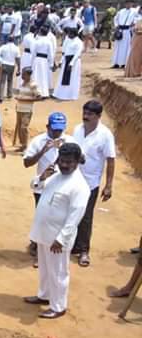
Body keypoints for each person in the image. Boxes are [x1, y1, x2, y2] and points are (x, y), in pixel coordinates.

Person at [25, 142, 90, 319]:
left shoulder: (79, 185)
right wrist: (41, 177)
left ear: (77, 162)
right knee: (45, 269)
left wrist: (61, 239)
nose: (64, 165)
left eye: (69, 162)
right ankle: (44, 296)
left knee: (59, 273)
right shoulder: (55, 176)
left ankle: (59, 306)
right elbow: (35, 187)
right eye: (62, 160)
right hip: (44, 233)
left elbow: (75, 216)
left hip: (58, 239)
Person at [23, 112, 76, 258]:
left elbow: (81, 160)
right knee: (42, 217)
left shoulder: (70, 141)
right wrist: (43, 150)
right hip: (42, 187)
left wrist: (64, 150)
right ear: (47, 127)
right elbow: (27, 163)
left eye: (60, 129)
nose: (58, 132)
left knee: (58, 218)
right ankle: (37, 244)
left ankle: (51, 246)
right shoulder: (38, 141)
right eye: (54, 129)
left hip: (63, 188)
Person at [72, 100, 116, 267]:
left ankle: (84, 250)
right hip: (73, 178)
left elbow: (111, 160)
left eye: (90, 114)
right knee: (71, 212)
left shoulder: (105, 135)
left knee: (86, 217)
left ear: (98, 116)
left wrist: (109, 185)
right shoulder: (77, 129)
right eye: (84, 112)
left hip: (90, 182)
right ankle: (74, 245)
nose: (85, 116)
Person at [13, 68, 41, 150]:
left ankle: (26, 146)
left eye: (24, 74)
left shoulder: (33, 85)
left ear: (28, 75)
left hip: (27, 110)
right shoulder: (22, 84)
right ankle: (22, 145)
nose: (22, 76)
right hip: (19, 109)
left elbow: (39, 97)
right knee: (19, 128)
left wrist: (24, 99)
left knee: (24, 128)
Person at [54, 29, 84, 101]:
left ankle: (70, 95)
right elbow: (65, 52)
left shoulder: (79, 42)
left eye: (70, 34)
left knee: (71, 79)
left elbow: (77, 54)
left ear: (74, 34)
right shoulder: (68, 41)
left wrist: (71, 63)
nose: (68, 35)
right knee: (63, 78)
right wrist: (61, 61)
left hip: (74, 62)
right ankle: (61, 94)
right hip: (66, 60)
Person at [30, 25, 56, 98]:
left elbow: (33, 53)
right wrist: (51, 63)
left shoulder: (37, 41)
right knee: (44, 77)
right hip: (45, 61)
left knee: (36, 76)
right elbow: (51, 54)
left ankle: (36, 92)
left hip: (37, 60)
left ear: (40, 32)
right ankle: (44, 93)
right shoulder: (48, 42)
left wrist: (31, 63)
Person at [112, 0, 137, 68]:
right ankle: (116, 63)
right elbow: (115, 18)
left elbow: (137, 19)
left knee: (126, 47)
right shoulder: (121, 11)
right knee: (117, 47)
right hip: (120, 30)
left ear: (132, 4)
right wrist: (116, 25)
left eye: (130, 3)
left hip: (127, 30)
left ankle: (124, 63)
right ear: (125, 4)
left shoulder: (134, 11)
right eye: (127, 3)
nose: (128, 4)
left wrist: (134, 23)